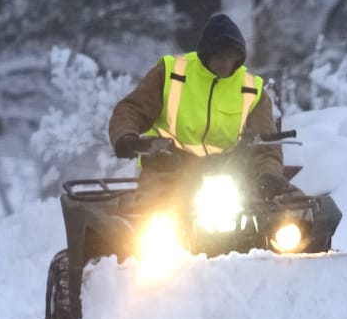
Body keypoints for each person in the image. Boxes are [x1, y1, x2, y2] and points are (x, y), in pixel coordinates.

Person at [108, 13, 295, 199]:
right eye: (219, 56)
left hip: (233, 177)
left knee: (287, 216)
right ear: (205, 55)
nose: (225, 63)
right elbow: (131, 109)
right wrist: (126, 137)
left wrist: (268, 175)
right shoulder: (171, 73)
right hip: (167, 171)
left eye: (231, 57)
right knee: (148, 220)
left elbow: (267, 144)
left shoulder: (251, 89)